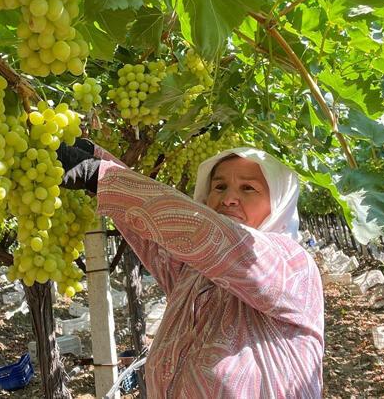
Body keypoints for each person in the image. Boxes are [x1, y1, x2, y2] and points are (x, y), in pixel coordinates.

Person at [57, 139, 324, 398]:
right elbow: (154, 229)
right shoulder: (195, 273)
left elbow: (207, 234)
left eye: (248, 188)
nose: (229, 198)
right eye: (219, 187)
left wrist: (99, 176)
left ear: (279, 203)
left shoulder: (292, 265)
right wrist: (98, 156)